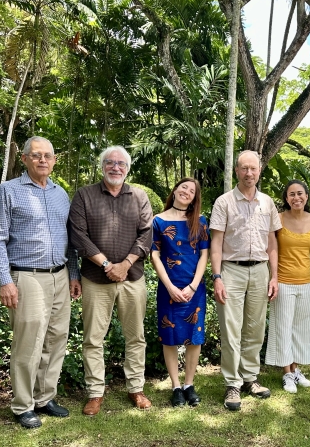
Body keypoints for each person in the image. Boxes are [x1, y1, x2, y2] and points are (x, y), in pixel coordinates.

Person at [0, 136, 81, 429]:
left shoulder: (60, 194)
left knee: (56, 339)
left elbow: (70, 240)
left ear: (54, 161)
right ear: (25, 158)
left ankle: (44, 397)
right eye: (37, 155)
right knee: (28, 344)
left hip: (60, 276)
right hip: (26, 276)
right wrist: (6, 281)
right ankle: (23, 405)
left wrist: (74, 274)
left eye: (48, 156)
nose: (43, 160)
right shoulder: (8, 190)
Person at [68, 146, 153, 415]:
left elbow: (146, 234)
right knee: (93, 339)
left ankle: (136, 388)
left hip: (132, 278)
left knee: (136, 336)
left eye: (121, 163)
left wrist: (125, 264)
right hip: (95, 278)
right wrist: (107, 265)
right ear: (102, 166)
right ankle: (95, 393)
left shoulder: (139, 196)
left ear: (127, 168)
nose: (115, 167)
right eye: (110, 162)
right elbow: (78, 235)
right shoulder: (84, 195)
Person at [209, 150, 282, 411]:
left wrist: (274, 276)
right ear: (236, 171)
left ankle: (250, 377)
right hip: (232, 270)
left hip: (260, 270)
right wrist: (217, 277)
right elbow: (216, 243)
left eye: (253, 168)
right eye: (244, 168)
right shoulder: (224, 202)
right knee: (231, 330)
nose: (249, 173)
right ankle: (232, 383)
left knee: (255, 328)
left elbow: (272, 243)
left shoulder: (267, 203)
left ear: (259, 171)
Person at [151, 178, 209, 407]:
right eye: (184, 187)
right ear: (175, 190)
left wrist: (193, 285)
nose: (187, 192)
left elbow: (204, 255)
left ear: (195, 198)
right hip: (169, 288)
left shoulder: (200, 221)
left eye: (192, 191)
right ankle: (176, 386)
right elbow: (154, 255)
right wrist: (169, 287)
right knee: (170, 337)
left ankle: (189, 384)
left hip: (195, 287)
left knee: (194, 336)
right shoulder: (158, 220)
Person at [265, 180, 310, 393]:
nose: (297, 198)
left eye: (300, 193)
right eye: (292, 194)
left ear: (306, 196)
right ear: (286, 198)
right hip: (283, 282)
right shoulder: (278, 219)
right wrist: (274, 278)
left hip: (306, 282)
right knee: (283, 327)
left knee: (300, 328)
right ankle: (287, 373)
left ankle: (295, 370)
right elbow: (271, 249)